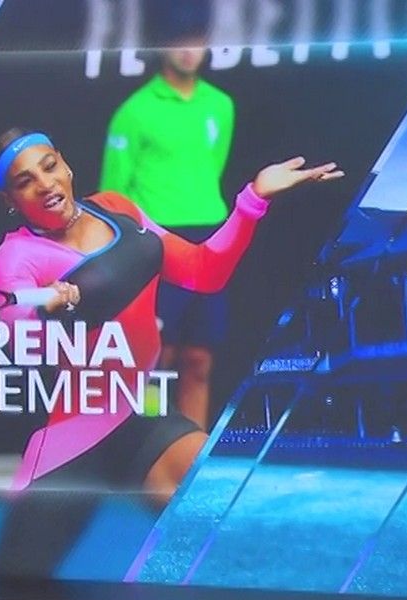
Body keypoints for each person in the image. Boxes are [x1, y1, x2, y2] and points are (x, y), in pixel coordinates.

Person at [0, 128, 339, 577]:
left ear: (66, 165)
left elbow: (204, 270)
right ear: (11, 201)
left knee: (223, 509)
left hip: (138, 414)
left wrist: (254, 199)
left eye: (49, 166)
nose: (45, 183)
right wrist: (57, 310)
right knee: (13, 587)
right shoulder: (15, 259)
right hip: (72, 440)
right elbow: (26, 347)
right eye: (25, 181)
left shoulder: (117, 208)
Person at [99, 21, 233, 430]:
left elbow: (213, 166)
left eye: (196, 40)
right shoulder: (135, 111)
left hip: (210, 239)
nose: (188, 50)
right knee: (158, 355)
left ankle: (192, 451)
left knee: (199, 356)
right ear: (161, 45)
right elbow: (112, 193)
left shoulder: (220, 104)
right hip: (157, 242)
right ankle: (151, 446)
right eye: (178, 40)